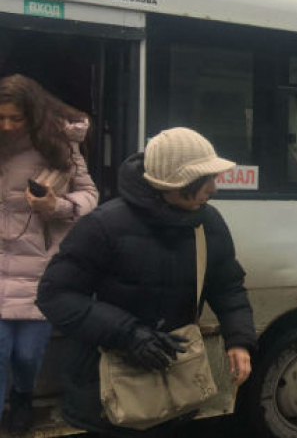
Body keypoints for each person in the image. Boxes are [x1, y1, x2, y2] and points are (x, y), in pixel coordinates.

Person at [36, 127, 256, 437]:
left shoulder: (208, 222)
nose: (214, 188)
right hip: (108, 386)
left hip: (177, 379)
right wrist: (129, 334)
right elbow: (55, 295)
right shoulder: (103, 226)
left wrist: (239, 340)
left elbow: (228, 287)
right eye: (206, 178)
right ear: (176, 182)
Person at [0, 74, 98, 435]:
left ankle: (24, 396)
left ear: (33, 114)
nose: (7, 125)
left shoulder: (59, 145)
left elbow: (90, 195)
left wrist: (57, 205)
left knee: (26, 355)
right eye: (1, 117)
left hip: (39, 270)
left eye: (16, 118)